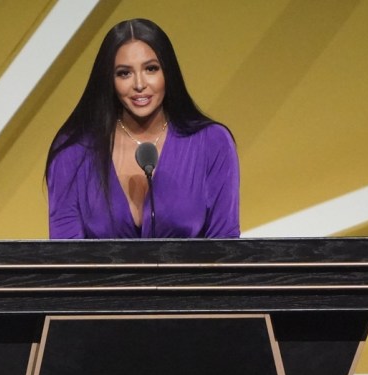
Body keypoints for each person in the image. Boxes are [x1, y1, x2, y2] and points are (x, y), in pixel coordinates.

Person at [46, 18, 239, 239]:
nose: (139, 84)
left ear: (168, 72)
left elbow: (225, 250)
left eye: (151, 69)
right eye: (124, 73)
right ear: (109, 79)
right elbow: (67, 260)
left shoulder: (212, 143)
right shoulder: (73, 151)